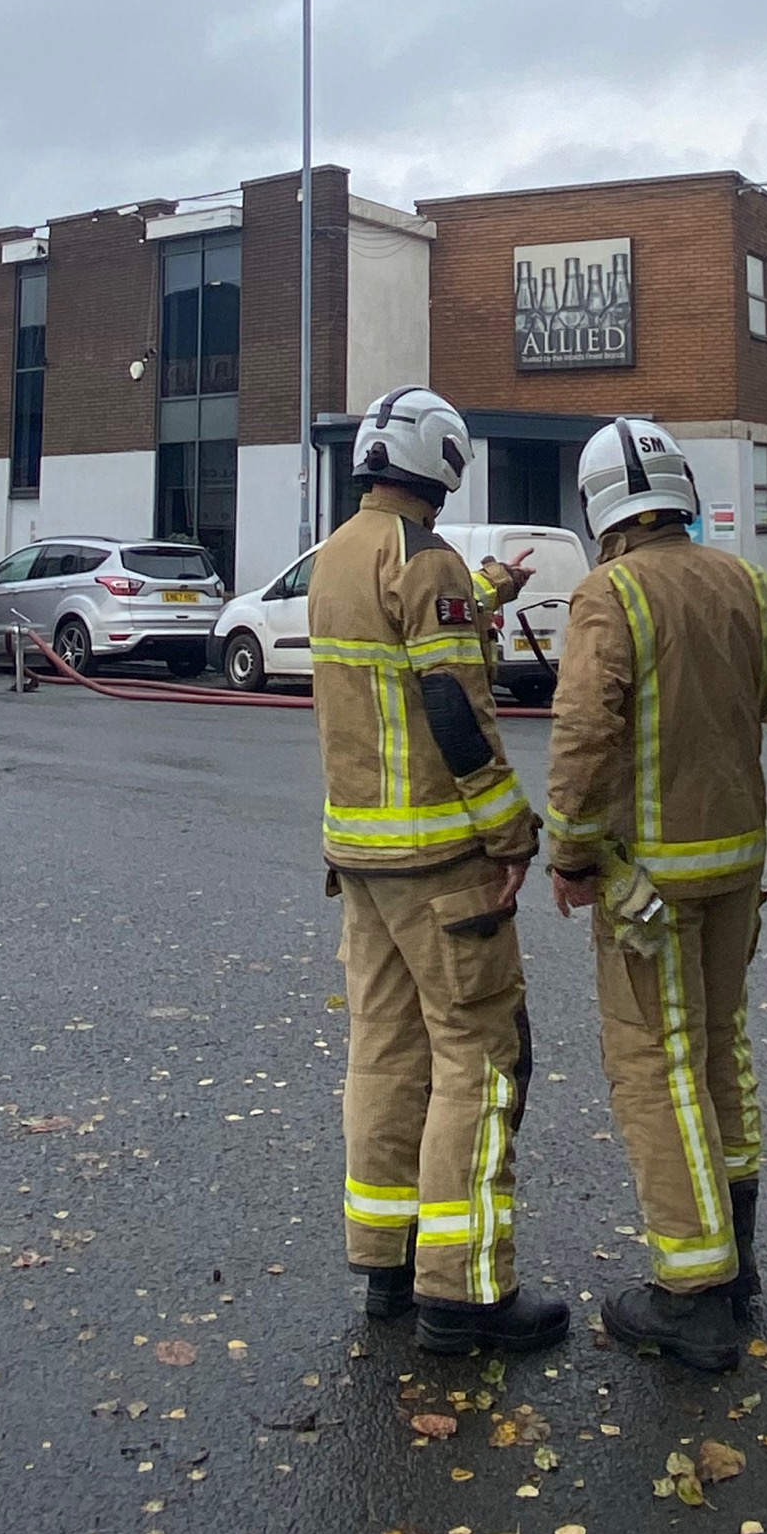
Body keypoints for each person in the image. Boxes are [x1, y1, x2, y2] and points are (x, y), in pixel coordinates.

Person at [547, 416, 767, 1373]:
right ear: (679, 494)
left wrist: (570, 852)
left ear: (600, 511)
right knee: (719, 1049)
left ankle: (693, 1292)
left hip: (650, 886)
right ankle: (737, 1258)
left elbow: (584, 730)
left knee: (655, 1066)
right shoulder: (745, 582)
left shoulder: (610, 593)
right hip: (738, 869)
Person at [308, 385, 570, 1358]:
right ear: (442, 462)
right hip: (439, 860)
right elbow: (453, 706)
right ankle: (464, 1292)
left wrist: (485, 590)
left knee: (385, 1051)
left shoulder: (337, 553)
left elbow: (401, 640)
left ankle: (389, 1263)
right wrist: (510, 832)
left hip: (361, 857)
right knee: (480, 1056)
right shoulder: (426, 560)